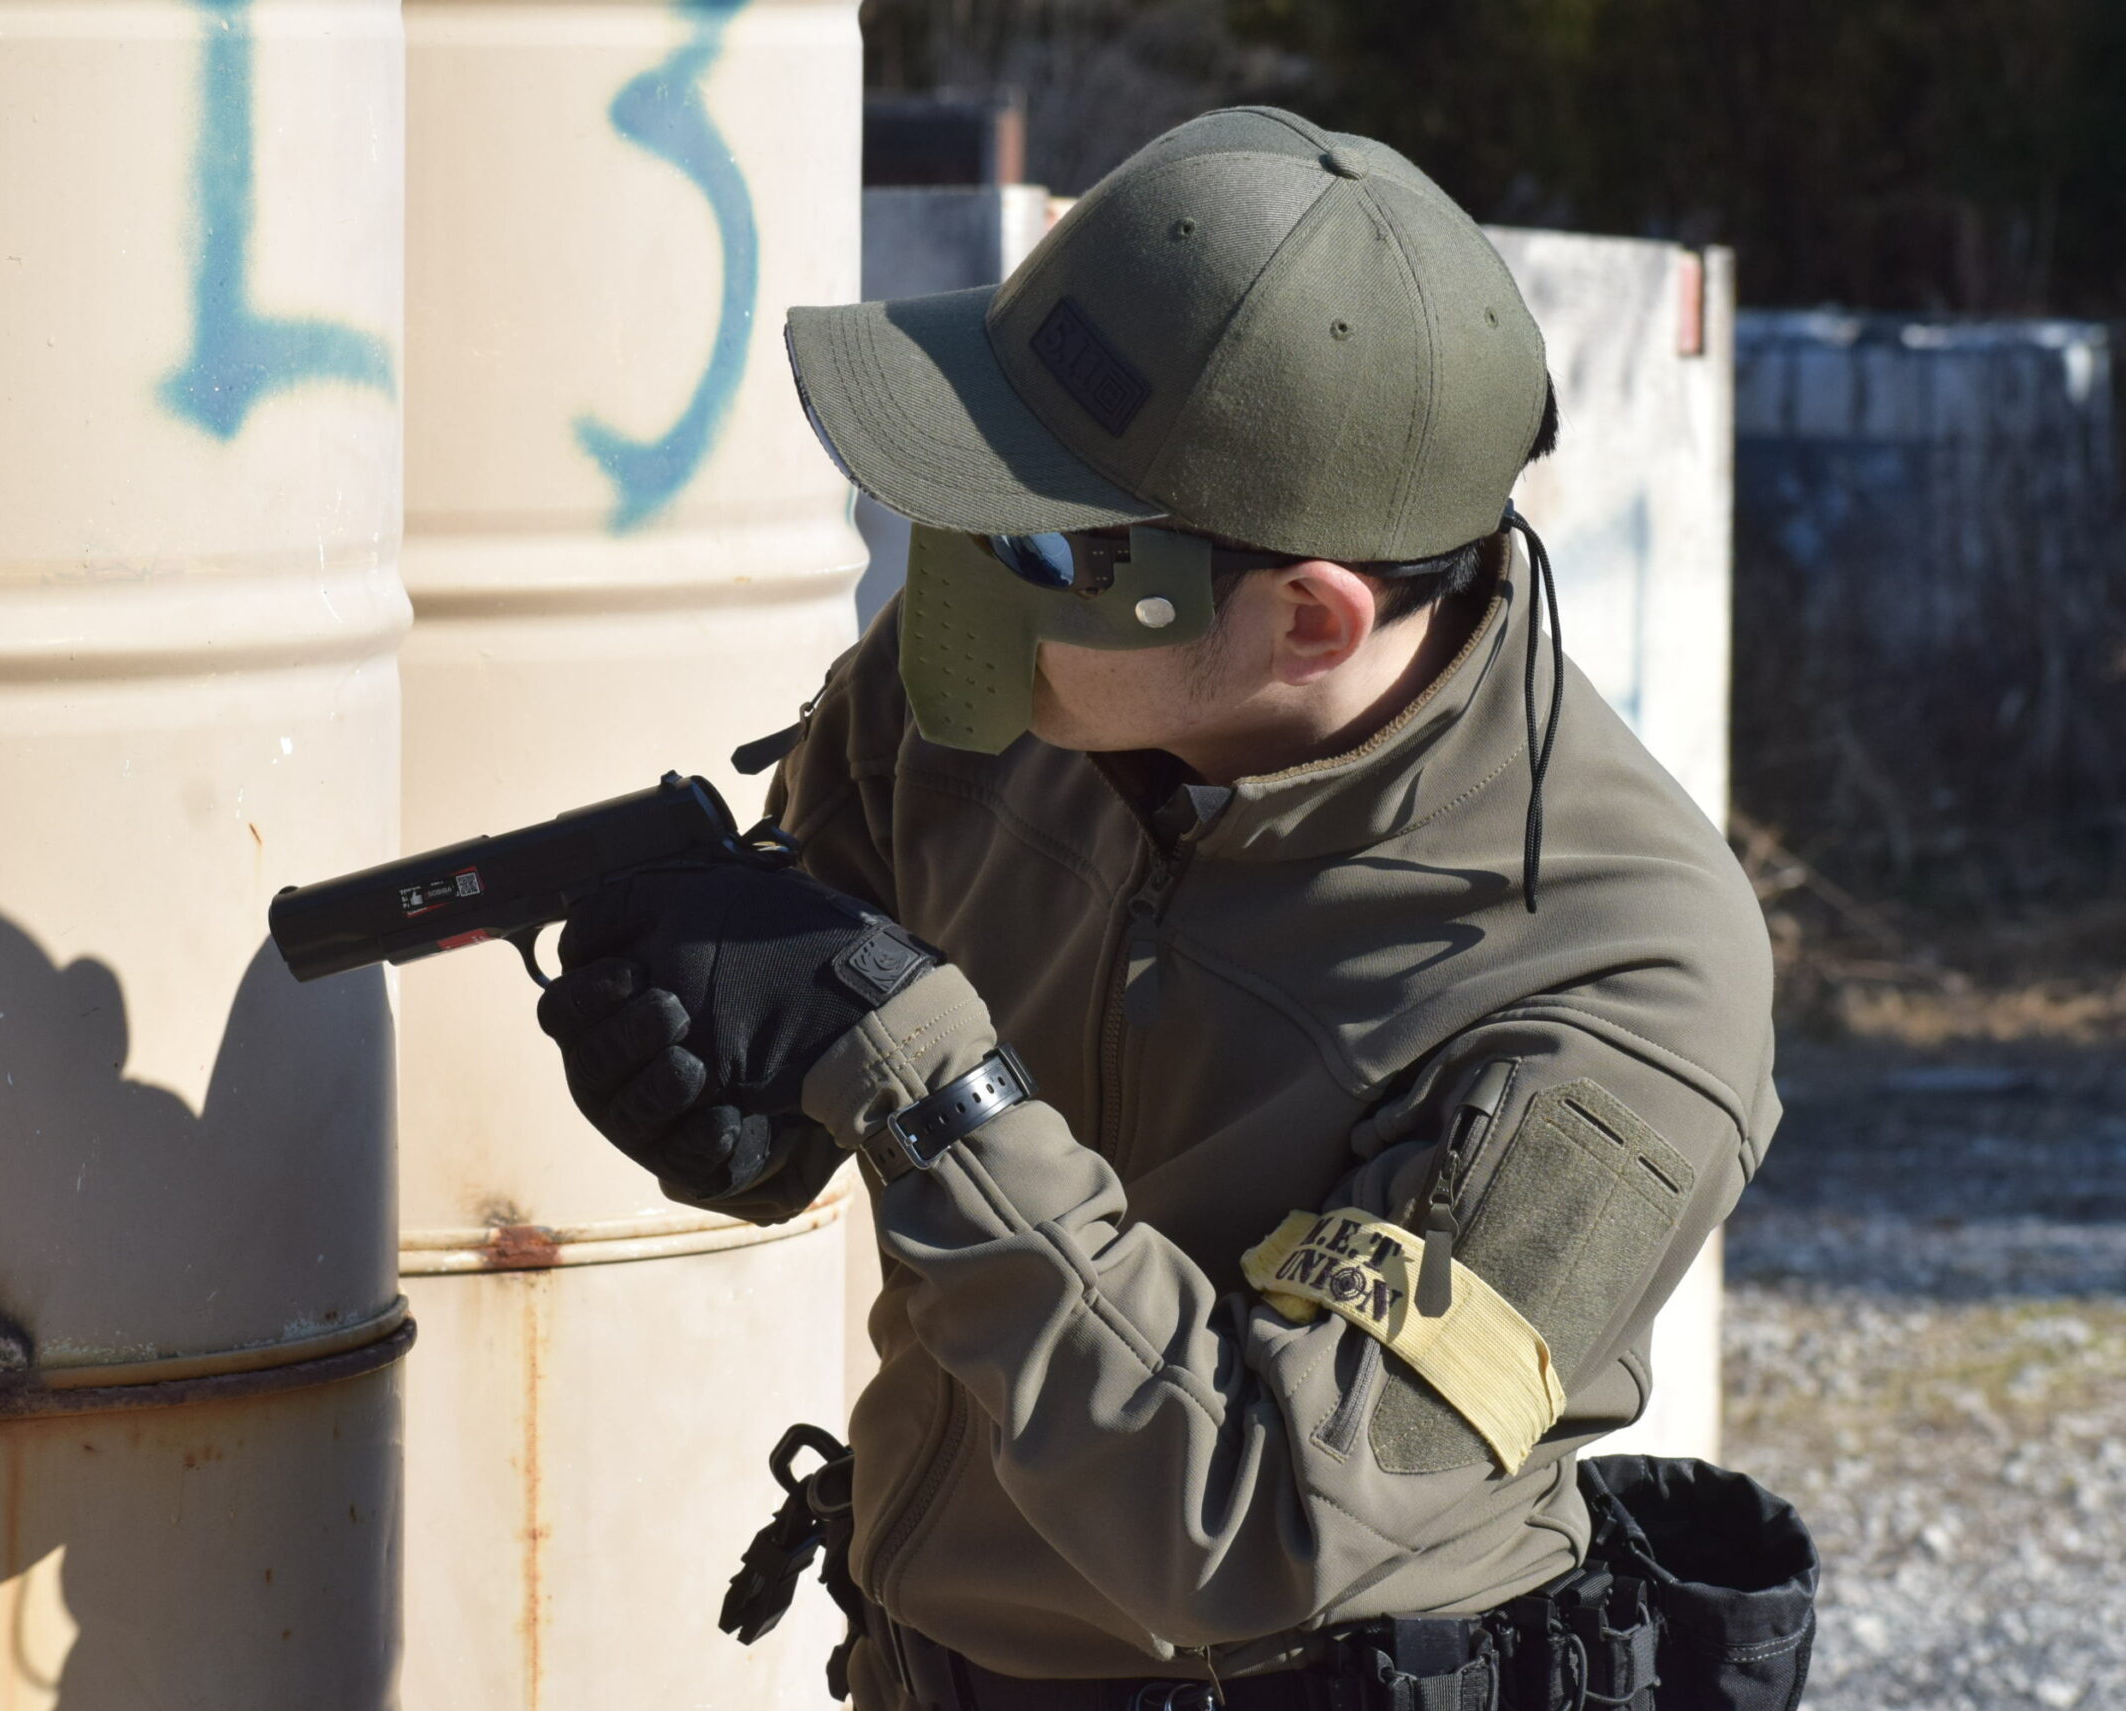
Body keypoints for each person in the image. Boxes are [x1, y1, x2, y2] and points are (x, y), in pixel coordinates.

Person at [536, 107, 1805, 1710]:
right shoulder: (997, 699)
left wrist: (932, 1091)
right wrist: (725, 1084)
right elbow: (823, 1051)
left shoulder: (1619, 985)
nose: (956, 580)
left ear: (1306, 620)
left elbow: (1255, 1537)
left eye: (1038, 540)